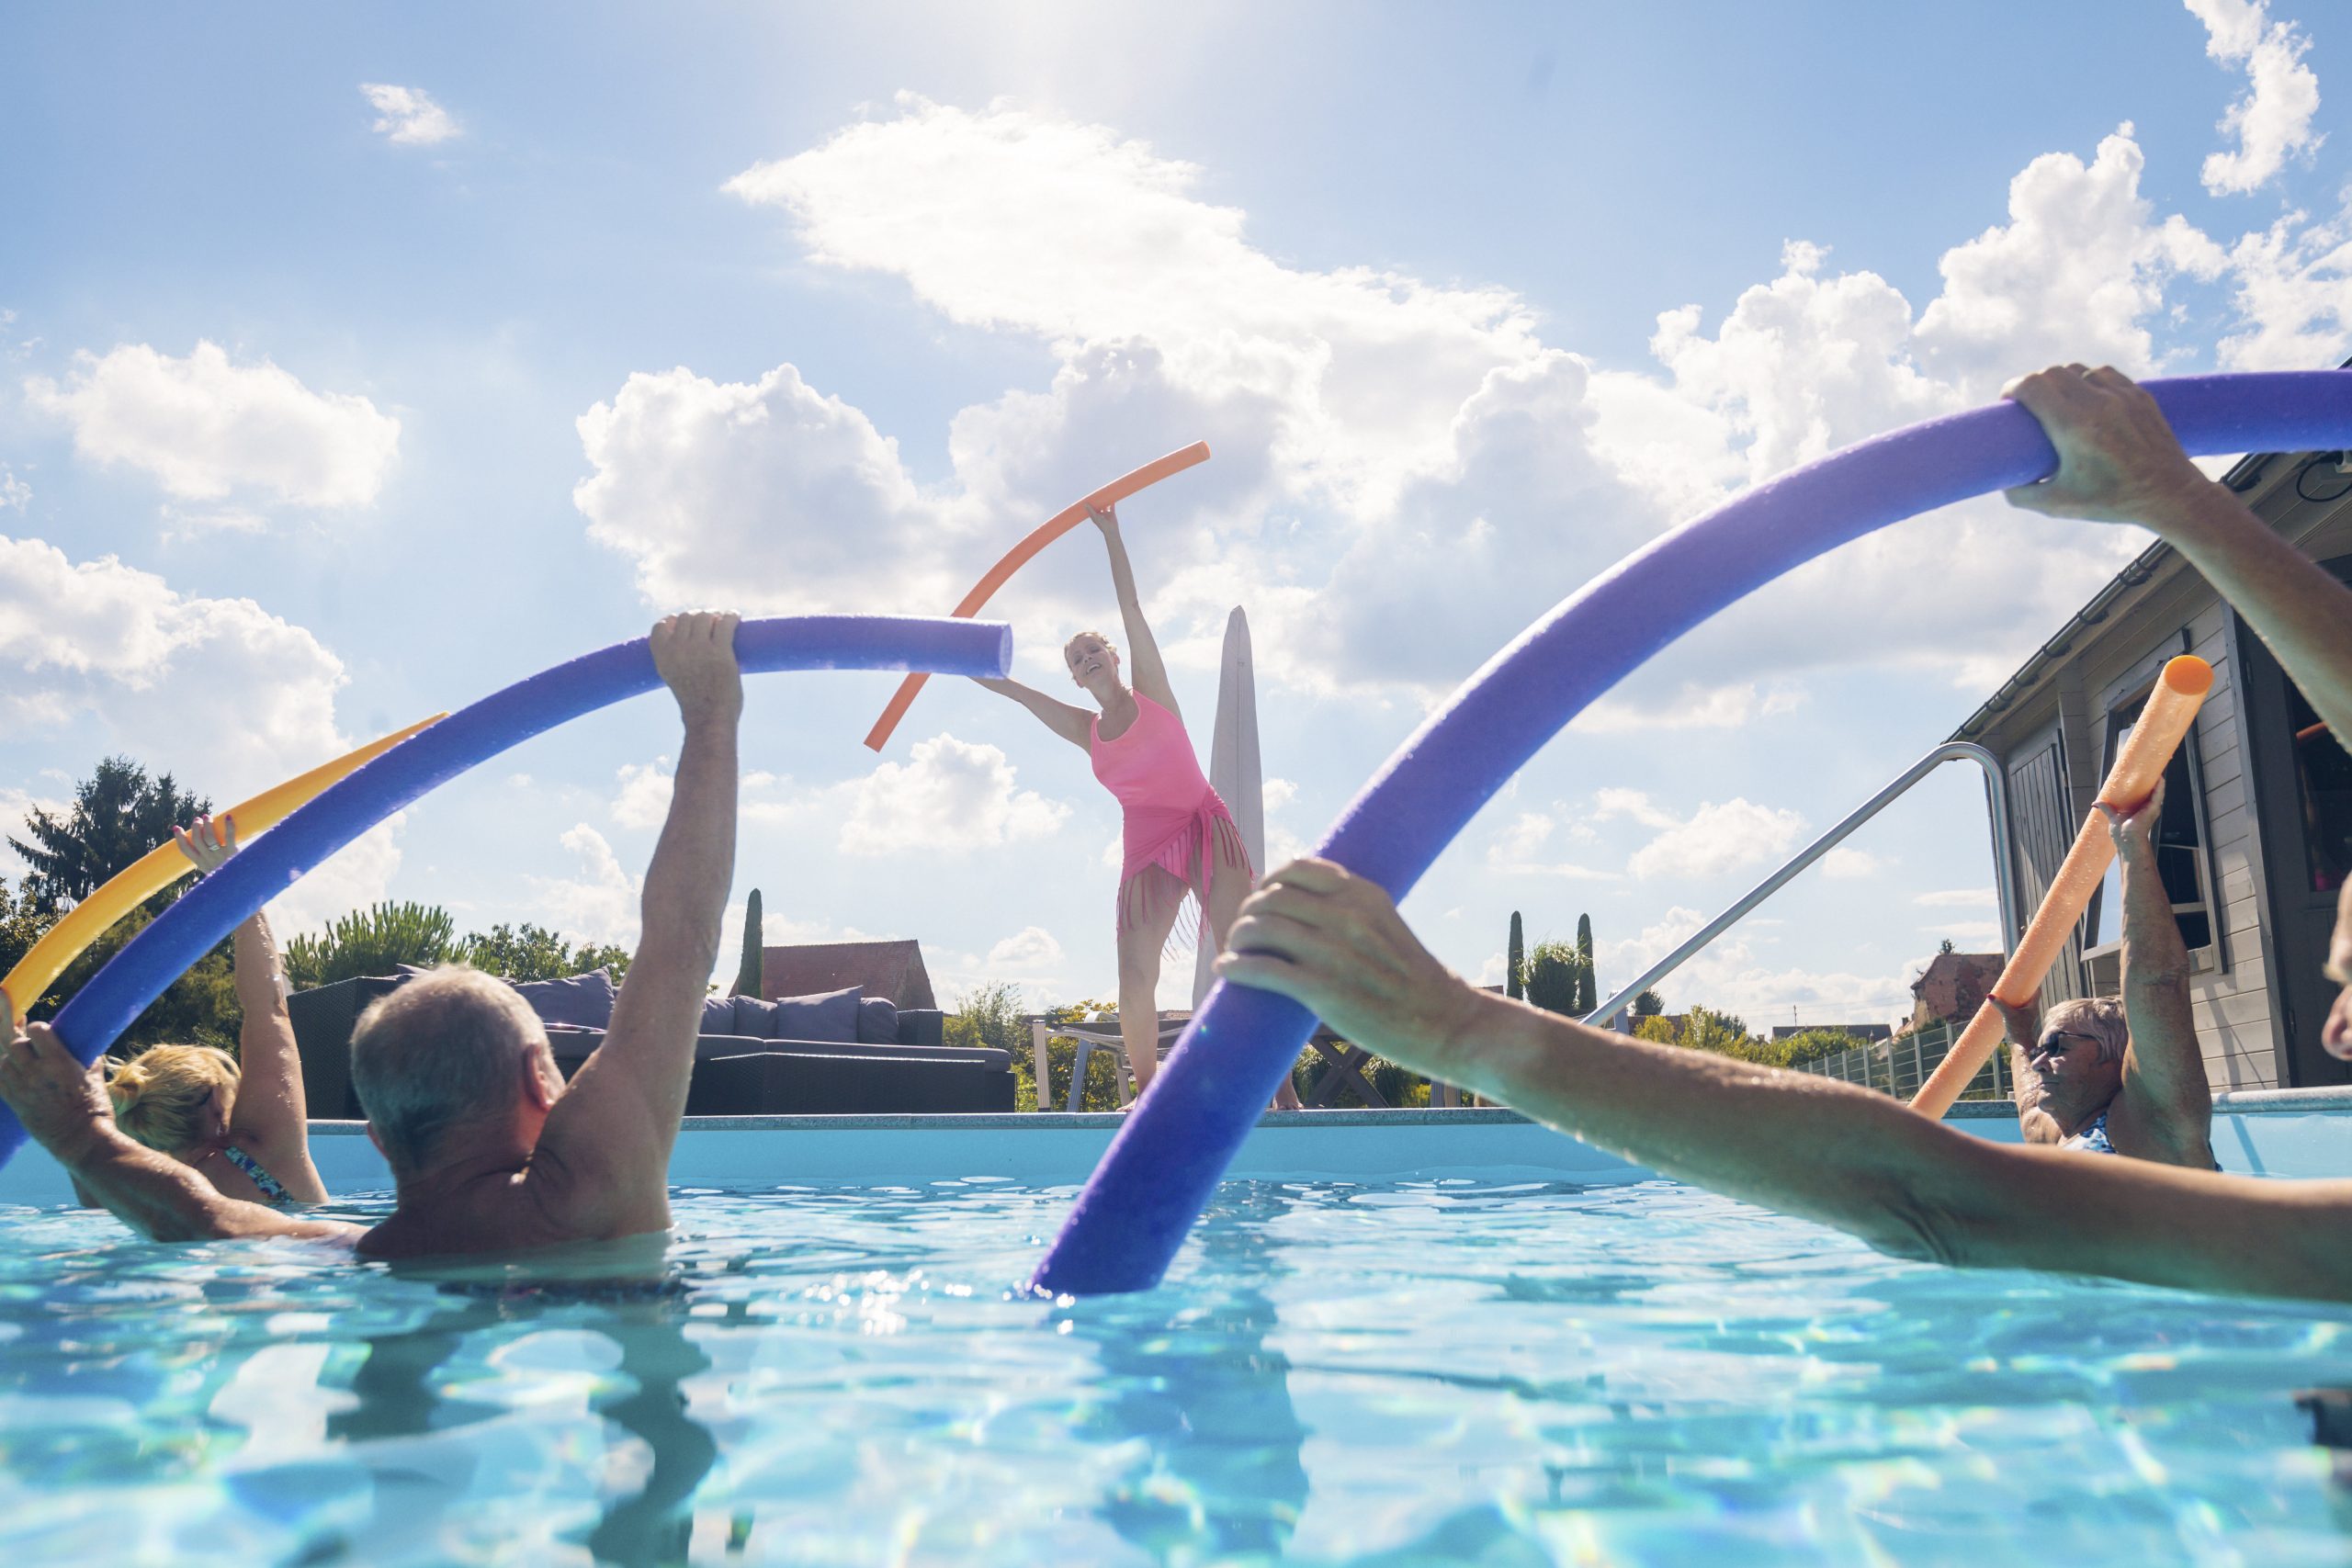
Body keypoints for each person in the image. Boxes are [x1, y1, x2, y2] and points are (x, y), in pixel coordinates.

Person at [1215, 365, 2352, 1305]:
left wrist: (1454, 1028)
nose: (2336, 1033)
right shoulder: (2062, 1111)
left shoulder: (2158, 1129)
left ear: (2117, 1059)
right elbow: (2009, 1084)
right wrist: (2170, 496)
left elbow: (1939, 1181)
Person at [0, 611, 742, 1255]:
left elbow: (199, 1216)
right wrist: (709, 711)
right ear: (539, 1081)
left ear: (378, 1138)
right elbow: (681, 940)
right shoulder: (592, 1189)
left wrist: (80, 1135)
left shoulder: (339, 1253)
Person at [970, 501, 1302, 1110]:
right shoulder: (1084, 727)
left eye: (1093, 649)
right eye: (1076, 658)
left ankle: (1285, 1100)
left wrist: (1111, 534)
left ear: (1115, 656)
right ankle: (1148, 1095)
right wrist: (971, 666)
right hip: (1147, 847)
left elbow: (1132, 607)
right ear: (1074, 676)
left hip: (1204, 825)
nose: (1086, 658)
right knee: (1134, 973)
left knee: (1243, 956)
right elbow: (1018, 695)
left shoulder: (1153, 690)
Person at [83, 813, 327, 1207]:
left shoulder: (147, 1198)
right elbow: (268, 1007)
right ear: (216, 1100)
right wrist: (236, 879)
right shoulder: (267, 1149)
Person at [1990, 780, 2214, 1168]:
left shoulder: (2149, 1125)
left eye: (2058, 1047)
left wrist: (2131, 844)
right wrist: (2020, 1032)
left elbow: (2159, 984)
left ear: (2119, 1057)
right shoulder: (2061, 1133)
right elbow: (2028, 1110)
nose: (2040, 1061)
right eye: (2043, 1050)